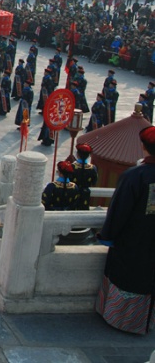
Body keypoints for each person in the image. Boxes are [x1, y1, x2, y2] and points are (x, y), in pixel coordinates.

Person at [95, 125, 155, 335]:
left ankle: (124, 320)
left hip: (133, 241)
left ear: (143, 147)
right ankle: (146, 321)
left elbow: (119, 211)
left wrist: (108, 235)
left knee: (129, 278)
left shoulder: (135, 176)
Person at [71, 143, 98, 210]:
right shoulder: (93, 168)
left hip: (73, 193)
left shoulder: (72, 167)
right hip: (85, 194)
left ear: (77, 154)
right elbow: (94, 182)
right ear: (88, 156)